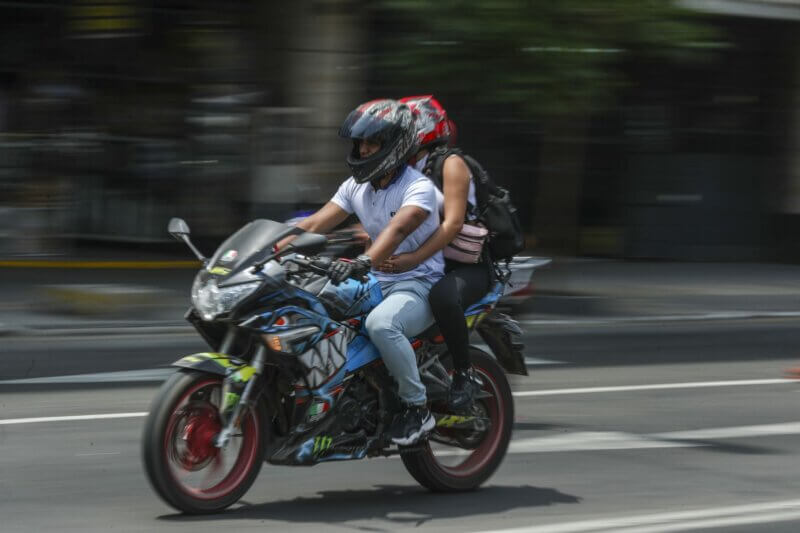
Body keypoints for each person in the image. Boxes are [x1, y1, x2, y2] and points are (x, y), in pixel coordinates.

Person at [287, 99, 445, 445]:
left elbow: (399, 230)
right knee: (308, 307)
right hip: (373, 280)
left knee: (381, 325)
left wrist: (365, 260)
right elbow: (316, 222)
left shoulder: (419, 188)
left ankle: (417, 409)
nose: (362, 150)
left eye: (371, 143)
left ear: (394, 146)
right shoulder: (356, 186)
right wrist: (271, 247)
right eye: (360, 143)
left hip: (417, 284)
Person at [379, 95, 492, 412]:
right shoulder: (402, 169)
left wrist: (412, 259)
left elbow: (453, 223)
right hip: (426, 262)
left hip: (463, 266)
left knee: (442, 297)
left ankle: (464, 375)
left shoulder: (451, 164)